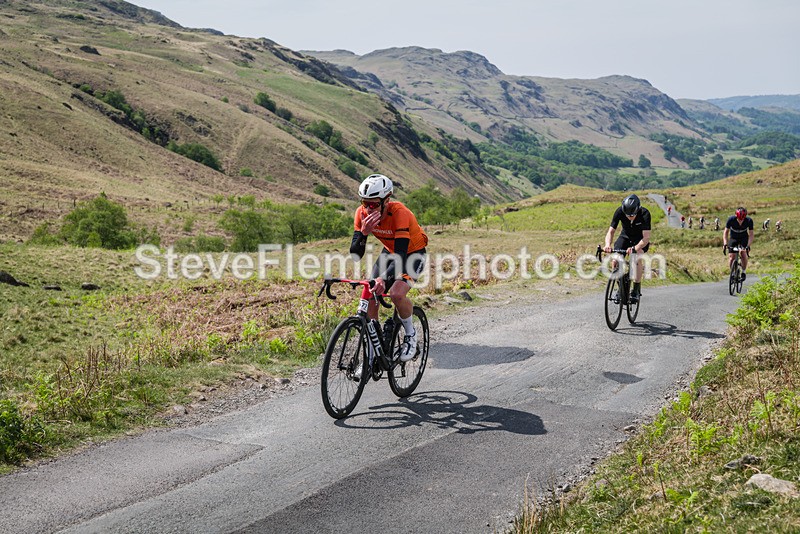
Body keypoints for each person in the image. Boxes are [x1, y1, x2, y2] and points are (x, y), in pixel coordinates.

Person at [350, 174, 428, 362]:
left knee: (396, 294)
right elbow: (355, 254)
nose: (368, 209)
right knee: (370, 293)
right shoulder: (361, 213)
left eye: (374, 204)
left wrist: (384, 279)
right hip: (390, 251)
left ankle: (410, 335)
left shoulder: (400, 213)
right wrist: (363, 233)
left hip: (413, 253)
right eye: (365, 203)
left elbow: (401, 256)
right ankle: (373, 351)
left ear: (387, 200)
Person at [604, 193, 651, 303]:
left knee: (637, 257)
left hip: (640, 240)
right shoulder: (619, 211)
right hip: (625, 237)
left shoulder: (645, 214)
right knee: (615, 260)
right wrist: (607, 245)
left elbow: (646, 237)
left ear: (638, 209)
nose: (629, 217)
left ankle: (636, 289)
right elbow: (611, 231)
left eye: (632, 215)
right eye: (627, 215)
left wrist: (635, 247)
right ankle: (621, 289)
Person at [723, 207, 754, 281]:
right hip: (734, 238)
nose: (741, 221)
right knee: (731, 256)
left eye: (742, 219)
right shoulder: (731, 219)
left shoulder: (749, 221)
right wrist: (725, 244)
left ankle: (743, 271)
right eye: (739, 219)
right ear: (736, 216)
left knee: (743, 253)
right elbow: (725, 232)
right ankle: (733, 273)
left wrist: (748, 246)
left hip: (744, 238)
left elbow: (751, 234)